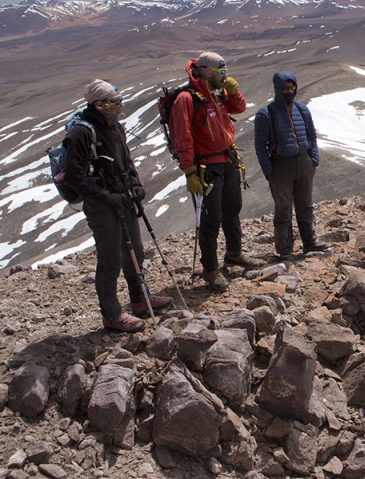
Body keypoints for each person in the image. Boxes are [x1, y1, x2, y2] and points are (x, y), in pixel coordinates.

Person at [62, 80, 173, 332]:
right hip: (103, 205)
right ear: (99, 105)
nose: (121, 105)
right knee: (110, 259)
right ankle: (111, 315)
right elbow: (74, 178)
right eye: (115, 102)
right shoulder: (81, 133)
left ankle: (139, 300)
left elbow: (127, 161)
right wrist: (109, 198)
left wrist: (135, 185)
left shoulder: (115, 127)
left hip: (124, 199)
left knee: (135, 251)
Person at [171, 51, 250, 291]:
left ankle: (234, 253)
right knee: (210, 218)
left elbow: (239, 108)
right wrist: (190, 172)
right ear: (206, 72)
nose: (224, 76)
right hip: (207, 167)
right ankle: (210, 268)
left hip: (227, 160)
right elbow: (182, 138)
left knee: (232, 208)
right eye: (221, 72)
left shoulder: (216, 93)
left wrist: (234, 91)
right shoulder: (186, 99)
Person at [253, 71, 328, 260]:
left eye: (292, 87)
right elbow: (260, 145)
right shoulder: (266, 113)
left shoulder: (302, 110)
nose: (289, 91)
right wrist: (269, 171)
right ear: (278, 89)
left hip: (303, 162)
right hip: (281, 166)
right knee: (283, 209)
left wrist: (314, 160)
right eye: (285, 88)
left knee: (306, 206)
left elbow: (312, 136)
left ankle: (310, 243)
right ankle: (285, 249)